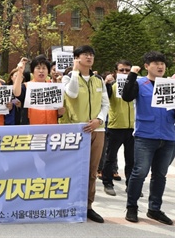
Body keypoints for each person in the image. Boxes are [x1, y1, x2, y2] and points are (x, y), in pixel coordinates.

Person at [121, 51, 175, 225]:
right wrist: (132, 74)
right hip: (145, 136)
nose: (160, 66)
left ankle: (154, 209)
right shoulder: (140, 83)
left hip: (167, 135)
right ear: (146, 66)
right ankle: (132, 207)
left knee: (160, 175)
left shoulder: (171, 85)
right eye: (156, 63)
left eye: (162, 63)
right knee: (140, 172)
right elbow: (126, 96)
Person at [61, 45, 109, 223]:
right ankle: (70, 203)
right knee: (73, 168)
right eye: (85, 55)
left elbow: (105, 104)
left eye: (91, 55)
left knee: (92, 171)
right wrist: (74, 72)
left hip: (97, 129)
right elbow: (72, 94)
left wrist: (99, 120)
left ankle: (88, 206)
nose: (89, 57)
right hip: (76, 130)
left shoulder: (99, 80)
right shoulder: (68, 79)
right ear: (77, 58)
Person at [101, 60, 135, 196]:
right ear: (116, 72)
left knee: (131, 159)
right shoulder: (112, 86)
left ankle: (131, 185)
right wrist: (106, 83)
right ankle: (107, 183)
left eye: (128, 70)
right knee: (110, 157)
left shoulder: (135, 86)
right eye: (122, 70)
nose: (125, 73)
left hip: (132, 127)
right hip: (115, 126)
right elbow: (103, 98)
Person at [13, 55, 64, 125]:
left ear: (48, 71)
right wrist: (19, 72)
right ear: (33, 71)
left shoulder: (53, 88)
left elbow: (59, 111)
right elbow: (16, 93)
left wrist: (60, 111)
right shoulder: (27, 86)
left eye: (44, 68)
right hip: (32, 130)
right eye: (38, 68)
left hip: (52, 129)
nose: (41, 71)